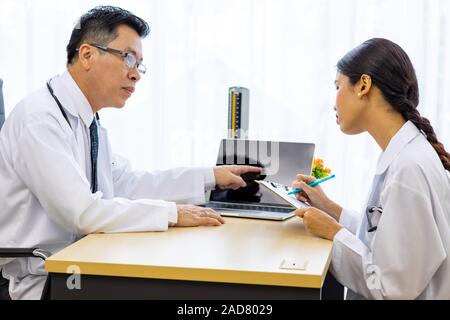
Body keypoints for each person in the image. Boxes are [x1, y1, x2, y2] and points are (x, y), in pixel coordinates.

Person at [0, 6, 260, 300]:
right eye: (127, 58)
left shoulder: (87, 120)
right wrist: (173, 213)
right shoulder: (39, 119)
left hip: (89, 263)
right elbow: (82, 212)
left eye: (139, 64)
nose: (136, 75)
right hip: (50, 280)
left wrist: (210, 177)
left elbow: (126, 183)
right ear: (87, 55)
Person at [293, 38, 450, 299]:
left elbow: (391, 289)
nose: (334, 103)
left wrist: (334, 232)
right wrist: (331, 209)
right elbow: (384, 237)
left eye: (337, 86)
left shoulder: (409, 168)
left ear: (363, 85)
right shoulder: (407, 154)